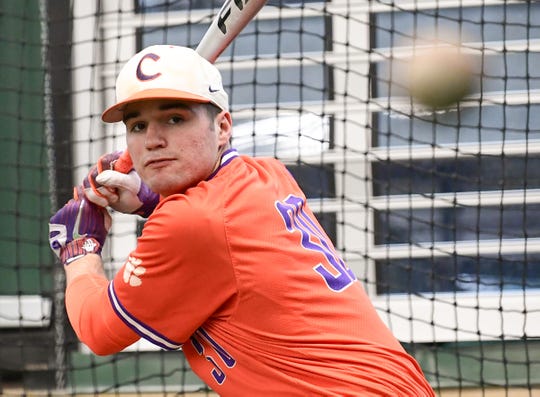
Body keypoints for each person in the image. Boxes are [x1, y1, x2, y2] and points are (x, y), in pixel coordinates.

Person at [48, 45, 435, 396]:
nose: (152, 140)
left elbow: (99, 331)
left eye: (175, 119)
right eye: (138, 126)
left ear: (222, 127)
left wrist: (80, 248)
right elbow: (221, 238)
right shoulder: (266, 174)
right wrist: (149, 199)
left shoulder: (190, 222)